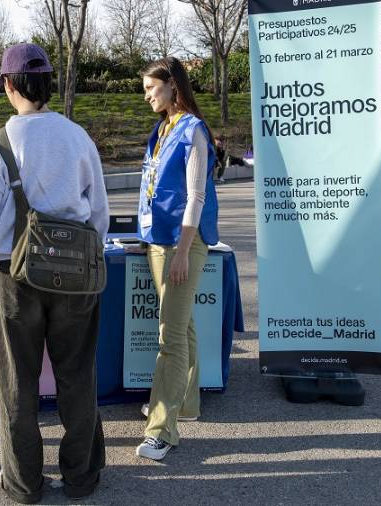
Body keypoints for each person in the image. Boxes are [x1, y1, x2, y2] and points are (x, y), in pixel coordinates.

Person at [0, 43, 109, 504]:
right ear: (47, 85)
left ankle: (24, 483)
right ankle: (81, 477)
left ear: (7, 84)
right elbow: (97, 214)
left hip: (15, 276)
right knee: (78, 376)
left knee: (17, 381)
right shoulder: (78, 136)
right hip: (77, 278)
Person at [135, 56, 219, 461]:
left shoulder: (192, 131)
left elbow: (196, 196)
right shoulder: (163, 128)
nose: (148, 96)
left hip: (182, 243)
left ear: (173, 86)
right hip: (158, 240)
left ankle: (162, 428)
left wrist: (184, 250)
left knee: (170, 334)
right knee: (181, 328)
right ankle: (186, 403)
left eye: (152, 89)